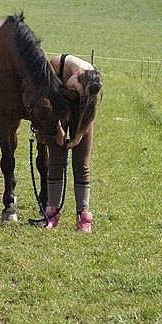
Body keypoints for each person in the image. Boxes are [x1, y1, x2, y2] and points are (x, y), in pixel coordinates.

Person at [44, 53, 103, 233]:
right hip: (56, 111)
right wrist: (58, 129)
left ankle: (83, 216)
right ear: (77, 73)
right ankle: (52, 214)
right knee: (55, 161)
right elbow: (45, 100)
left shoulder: (93, 80)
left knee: (82, 164)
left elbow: (90, 113)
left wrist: (77, 137)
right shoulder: (55, 65)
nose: (75, 93)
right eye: (76, 89)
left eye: (80, 94)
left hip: (82, 116)